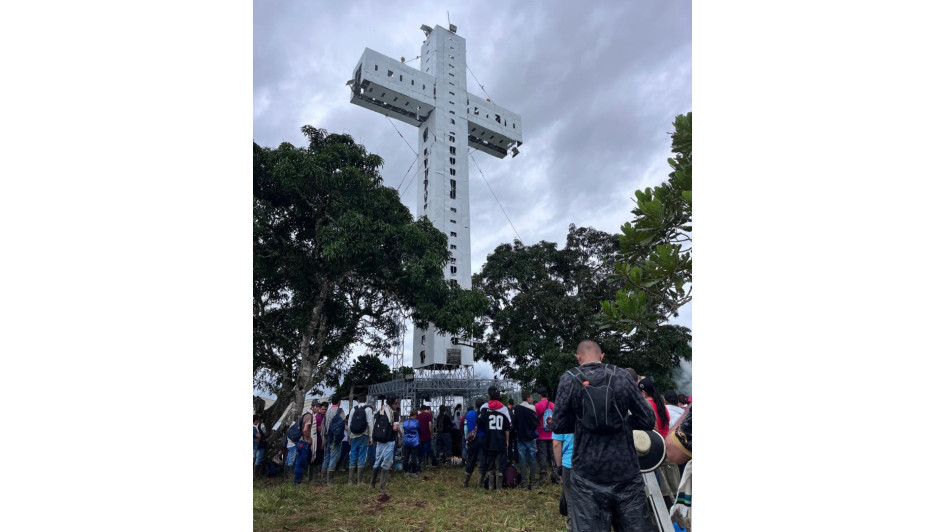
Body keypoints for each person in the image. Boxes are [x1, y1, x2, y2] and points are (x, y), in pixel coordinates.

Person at [551, 339, 656, 531]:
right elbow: (648, 420)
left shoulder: (569, 379)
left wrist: (582, 422)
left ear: (578, 357)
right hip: (625, 472)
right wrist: (622, 421)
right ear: (602, 356)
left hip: (586, 474)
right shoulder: (622, 376)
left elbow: (558, 425)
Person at [477, 385, 511, 490]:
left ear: (488, 395)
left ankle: (491, 486)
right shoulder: (504, 409)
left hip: (488, 441)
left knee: (491, 465)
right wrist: (507, 441)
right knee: (500, 465)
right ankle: (499, 488)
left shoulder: (484, 407)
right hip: (500, 441)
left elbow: (479, 422)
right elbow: (508, 427)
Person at [371, 396, 400, 492]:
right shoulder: (394, 414)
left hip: (379, 440)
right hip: (389, 440)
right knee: (386, 462)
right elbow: (395, 428)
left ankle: (372, 484)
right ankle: (382, 487)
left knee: (377, 461)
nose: (397, 405)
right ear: (393, 403)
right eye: (396, 403)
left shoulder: (380, 411)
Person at [512, 390, 539, 489]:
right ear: (528, 398)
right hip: (530, 438)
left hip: (520, 438)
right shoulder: (532, 408)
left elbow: (514, 424)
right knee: (532, 459)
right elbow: (535, 423)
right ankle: (533, 482)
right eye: (531, 397)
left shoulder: (516, 408)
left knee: (522, 460)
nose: (532, 399)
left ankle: (524, 482)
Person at [346, 394, 374, 485]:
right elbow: (370, 424)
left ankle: (350, 481)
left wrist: (349, 436)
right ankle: (359, 481)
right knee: (362, 456)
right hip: (364, 435)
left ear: (357, 401)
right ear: (365, 400)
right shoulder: (368, 409)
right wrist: (371, 437)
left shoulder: (353, 409)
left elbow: (349, 423)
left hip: (354, 435)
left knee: (353, 455)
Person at [535, 388, 558, 486]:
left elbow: (535, 419)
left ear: (540, 395)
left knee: (542, 456)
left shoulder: (537, 406)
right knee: (553, 456)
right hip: (552, 435)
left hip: (541, 435)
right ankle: (555, 475)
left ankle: (543, 478)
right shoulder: (553, 405)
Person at [552, 429, 575, 531]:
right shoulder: (590, 413)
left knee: (570, 501)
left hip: (569, 463)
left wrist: (559, 467)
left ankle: (572, 528)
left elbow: (556, 444)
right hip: (587, 463)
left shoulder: (562, 414)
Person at [293, 400, 319, 485]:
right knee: (300, 462)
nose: (318, 408)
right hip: (303, 442)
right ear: (313, 406)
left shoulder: (306, 414)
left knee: (300, 462)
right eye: (317, 406)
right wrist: (309, 439)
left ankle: (298, 480)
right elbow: (305, 429)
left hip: (301, 441)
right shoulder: (309, 416)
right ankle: (297, 482)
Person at [320, 395, 344, 484]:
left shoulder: (327, 412)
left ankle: (323, 479)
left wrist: (323, 438)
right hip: (335, 438)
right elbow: (342, 424)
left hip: (326, 437)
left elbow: (323, 426)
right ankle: (329, 480)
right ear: (339, 402)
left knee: (326, 457)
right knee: (333, 457)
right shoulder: (340, 411)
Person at [461, 399, 484, 486]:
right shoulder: (484, 415)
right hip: (482, 439)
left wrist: (467, 439)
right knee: (482, 461)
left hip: (472, 440)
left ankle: (465, 482)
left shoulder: (469, 414)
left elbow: (465, 428)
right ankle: (480, 483)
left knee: (471, 460)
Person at [401, 410, 421, 477]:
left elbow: (404, 429)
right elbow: (419, 430)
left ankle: (405, 472)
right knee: (414, 457)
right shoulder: (416, 422)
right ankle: (414, 472)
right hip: (414, 441)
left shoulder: (405, 422)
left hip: (406, 441)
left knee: (406, 457)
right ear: (415, 415)